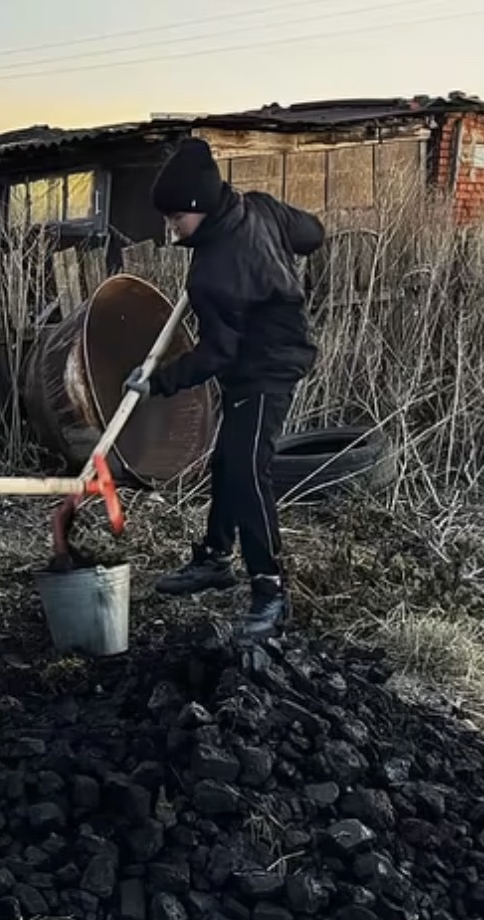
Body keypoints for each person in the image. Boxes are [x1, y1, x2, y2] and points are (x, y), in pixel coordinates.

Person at [125, 138, 325, 638]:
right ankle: (215, 557)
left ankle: (270, 589)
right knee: (226, 460)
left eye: (175, 219)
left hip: (266, 368)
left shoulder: (214, 272)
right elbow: (312, 233)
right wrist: (278, 255)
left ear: (198, 207)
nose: (171, 230)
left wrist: (157, 382)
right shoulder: (258, 207)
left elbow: (217, 355)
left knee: (247, 468)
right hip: (265, 355)